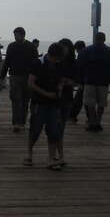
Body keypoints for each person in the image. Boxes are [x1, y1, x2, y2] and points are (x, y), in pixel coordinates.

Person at [25, 42, 64, 170]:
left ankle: (51, 159)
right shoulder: (38, 63)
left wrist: (60, 87)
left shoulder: (59, 64)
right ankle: (29, 154)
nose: (57, 61)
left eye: (58, 59)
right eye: (55, 58)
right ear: (50, 55)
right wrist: (46, 93)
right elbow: (30, 83)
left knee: (53, 131)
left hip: (54, 103)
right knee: (35, 129)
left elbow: (61, 80)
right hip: (39, 102)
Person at [77, 32, 110, 132]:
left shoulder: (86, 50)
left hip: (89, 80)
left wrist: (80, 80)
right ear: (104, 39)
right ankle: (98, 122)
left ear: (95, 39)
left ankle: (92, 123)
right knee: (101, 103)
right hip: (104, 81)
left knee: (90, 104)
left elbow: (80, 65)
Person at [0, 26, 38, 133]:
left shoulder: (31, 47)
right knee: (16, 100)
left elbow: (36, 64)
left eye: (16, 35)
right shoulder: (11, 46)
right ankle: (16, 123)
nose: (15, 37)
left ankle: (22, 122)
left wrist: (36, 78)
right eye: (14, 35)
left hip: (28, 77)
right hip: (14, 76)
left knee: (25, 100)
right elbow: (7, 61)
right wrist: (2, 76)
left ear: (22, 35)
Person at [56, 38, 77, 166]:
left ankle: (60, 155)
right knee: (55, 127)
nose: (64, 50)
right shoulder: (55, 61)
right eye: (61, 47)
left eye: (66, 48)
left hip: (67, 98)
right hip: (53, 98)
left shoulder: (73, 64)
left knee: (61, 128)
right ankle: (57, 155)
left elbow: (77, 82)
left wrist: (66, 82)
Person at [69, 40, 87, 123]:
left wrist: (77, 81)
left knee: (78, 100)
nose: (76, 51)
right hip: (89, 81)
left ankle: (72, 117)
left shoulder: (81, 55)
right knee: (87, 101)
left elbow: (80, 69)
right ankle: (91, 118)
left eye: (76, 49)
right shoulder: (87, 53)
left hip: (83, 81)